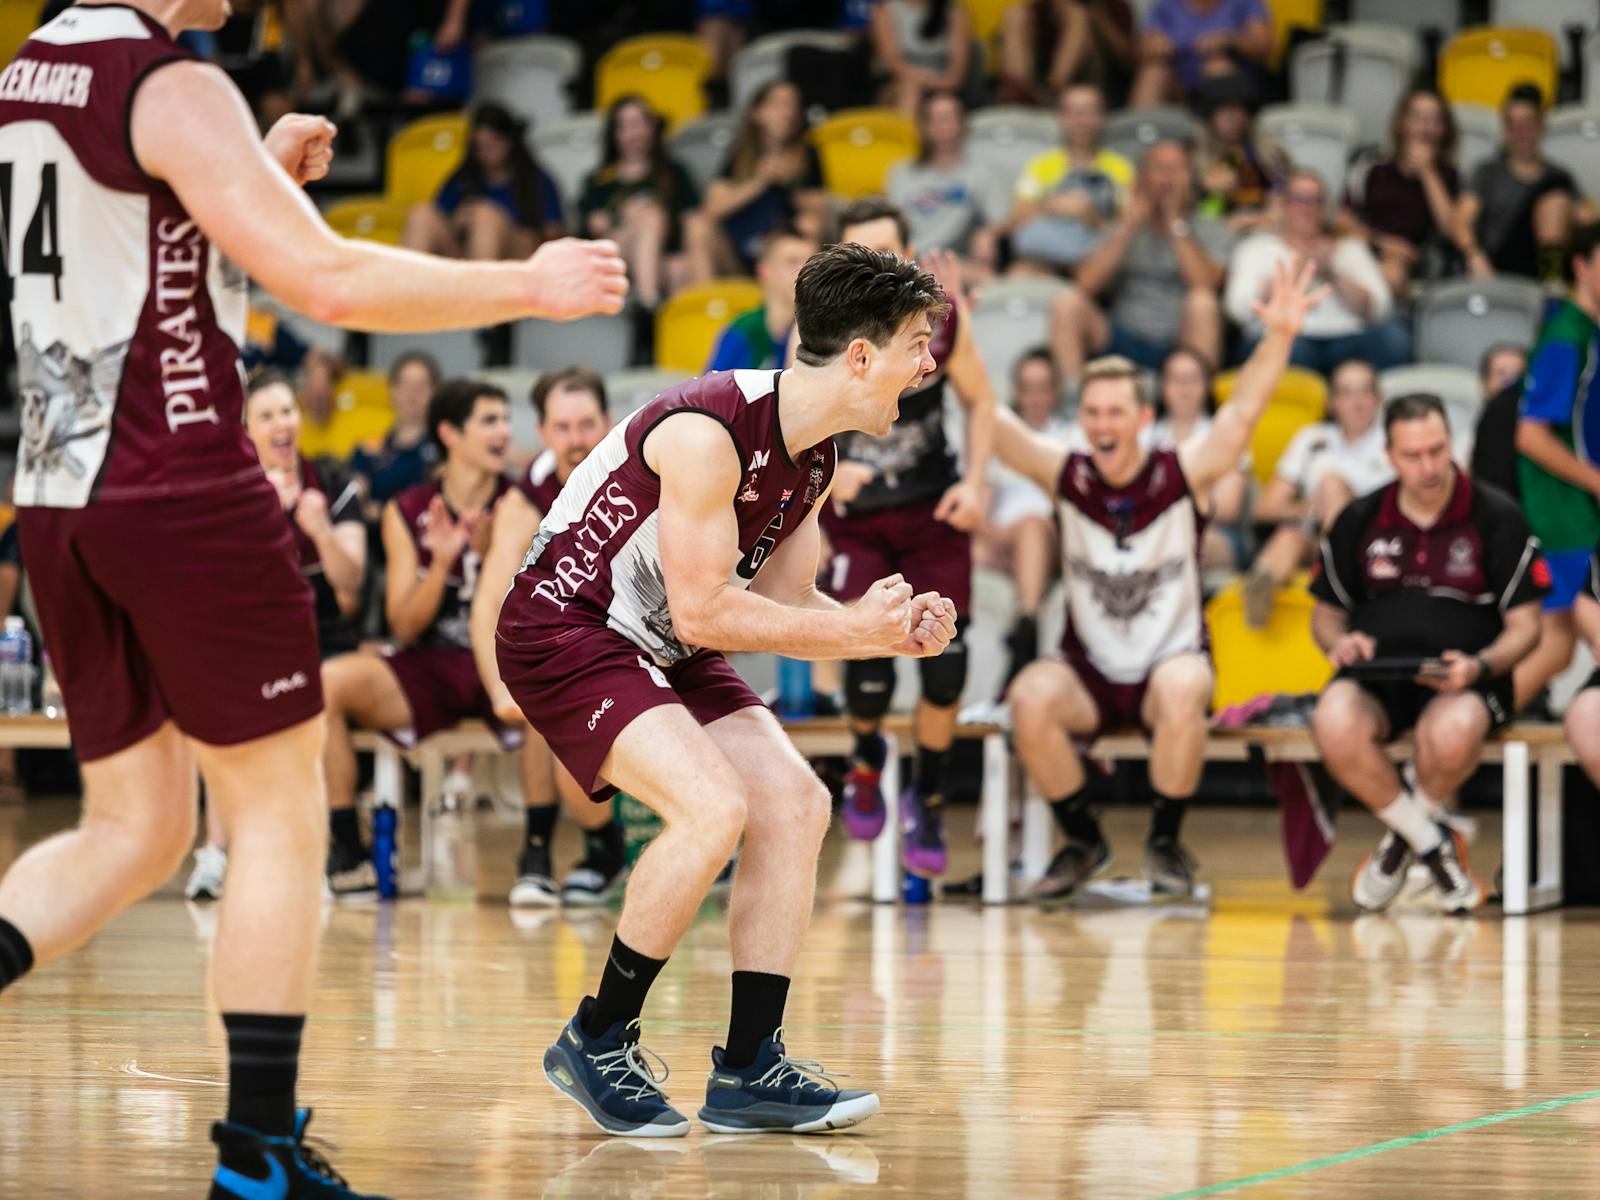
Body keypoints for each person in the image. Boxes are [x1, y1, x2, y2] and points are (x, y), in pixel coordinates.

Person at [0, 2, 626, 1196]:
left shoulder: (35, 66)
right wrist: (531, 284)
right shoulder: (167, 84)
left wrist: (241, 183)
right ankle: (258, 1157)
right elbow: (329, 282)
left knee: (136, 830)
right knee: (281, 814)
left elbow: (127, 250)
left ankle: (259, 1149)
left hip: (57, 494)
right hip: (182, 485)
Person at [494, 242, 958, 1137]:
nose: (929, 361)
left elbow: (785, 606)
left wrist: (884, 634)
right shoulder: (708, 431)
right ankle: (597, 1036)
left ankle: (749, 1069)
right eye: (915, 342)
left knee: (794, 802)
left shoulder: (813, 457)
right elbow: (712, 612)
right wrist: (854, 629)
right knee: (712, 807)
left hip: (664, 634)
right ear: (860, 358)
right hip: (566, 629)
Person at [997, 258, 1322, 902]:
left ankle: (1166, 842)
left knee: (1184, 687)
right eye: (1091, 411)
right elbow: (989, 411)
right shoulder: (1066, 471)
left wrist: (1280, 337)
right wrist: (946, 340)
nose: (1102, 423)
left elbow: (1243, 416)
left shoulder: (1185, 471)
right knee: (1027, 698)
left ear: (1143, 418)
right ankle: (1083, 839)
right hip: (1089, 669)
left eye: (1116, 411)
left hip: (1165, 661)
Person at [1310, 394, 1545, 914]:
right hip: (1377, 678)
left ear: (1452, 445)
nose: (1429, 467)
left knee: (1453, 729)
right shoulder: (1358, 518)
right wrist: (1339, 643)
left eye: (1437, 451)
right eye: (1413, 456)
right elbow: (1325, 616)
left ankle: (1401, 841)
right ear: (1389, 455)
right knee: (1332, 720)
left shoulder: (1498, 516)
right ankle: (1431, 842)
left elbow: (1528, 628)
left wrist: (1481, 665)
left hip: (1468, 678)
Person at [826, 199, 997, 878]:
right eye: (857, 256)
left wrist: (978, 483)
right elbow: (787, 406)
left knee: (945, 661)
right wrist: (827, 472)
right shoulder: (821, 324)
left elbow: (983, 400)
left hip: (930, 510)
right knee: (866, 660)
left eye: (883, 254)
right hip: (860, 517)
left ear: (904, 255)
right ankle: (866, 760)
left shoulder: (941, 319)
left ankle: (927, 795)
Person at [319, 380, 528, 894]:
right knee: (325, 684)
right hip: (432, 665)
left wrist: (494, 558)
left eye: (505, 419)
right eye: (489, 420)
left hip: (507, 665)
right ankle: (346, 847)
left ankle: (551, 852)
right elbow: (404, 624)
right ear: (449, 434)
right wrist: (442, 561)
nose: (504, 431)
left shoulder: (523, 504)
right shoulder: (406, 509)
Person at [185, 372, 367, 904]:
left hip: (324, 639)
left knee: (306, 703)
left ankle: (312, 856)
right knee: (223, 701)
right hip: (254, 639)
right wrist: (265, 519)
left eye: (287, 411)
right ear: (247, 431)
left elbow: (352, 580)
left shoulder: (332, 484)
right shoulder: (229, 493)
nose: (281, 423)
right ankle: (217, 852)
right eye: (266, 416)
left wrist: (319, 530)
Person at [469, 368, 629, 908]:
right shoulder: (525, 501)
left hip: (638, 645)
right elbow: (489, 601)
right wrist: (499, 691)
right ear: (540, 432)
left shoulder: (641, 471)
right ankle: (549, 850)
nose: (577, 438)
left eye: (587, 423)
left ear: (608, 423)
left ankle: (611, 842)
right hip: (571, 658)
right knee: (537, 688)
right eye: (562, 427)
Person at [1047, 140, 1230, 381]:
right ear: (1142, 177)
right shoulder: (1122, 226)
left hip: (1181, 341)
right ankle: (1072, 403)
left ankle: (1197, 409)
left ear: (1190, 178)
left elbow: (1206, 284)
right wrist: (1129, 225)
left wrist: (1175, 221)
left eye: (1178, 169)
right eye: (1161, 168)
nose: (1169, 178)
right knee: (1066, 303)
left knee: (1203, 302)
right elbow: (1086, 282)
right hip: (1123, 335)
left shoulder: (1211, 227)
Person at [1512, 224, 1600, 715]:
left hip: (1575, 511)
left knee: (1554, 649)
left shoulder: (1588, 332)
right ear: (1581, 268)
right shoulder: (1567, 338)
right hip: (1567, 517)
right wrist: (1595, 481)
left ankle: (1457, 739)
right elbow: (1530, 435)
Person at [1242, 359, 1391, 627]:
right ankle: (1258, 595)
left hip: (1373, 541)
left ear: (1378, 398)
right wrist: (1310, 507)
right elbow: (1265, 507)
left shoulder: (1391, 442)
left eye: (1364, 392)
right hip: (1315, 536)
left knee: (1331, 484)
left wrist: (1341, 498)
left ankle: (1340, 580)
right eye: (1346, 393)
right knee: (1290, 536)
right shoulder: (1312, 439)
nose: (1356, 402)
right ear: (1332, 402)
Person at [1224, 170, 1409, 374]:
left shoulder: (1349, 248)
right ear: (1284, 205)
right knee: (1288, 350)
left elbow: (1380, 307)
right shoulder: (1257, 248)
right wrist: (1303, 268)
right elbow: (1237, 309)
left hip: (1348, 335)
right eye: (1299, 200)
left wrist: (1331, 272)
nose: (1307, 209)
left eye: (1315, 200)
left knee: (1394, 339)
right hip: (1287, 335)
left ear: (1324, 208)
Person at [981, 350, 1071, 690]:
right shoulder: (996, 440)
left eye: (1042, 388)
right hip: (1002, 540)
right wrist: (997, 536)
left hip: (1050, 537)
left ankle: (1026, 627)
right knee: (959, 544)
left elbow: (1068, 508)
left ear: (1055, 391)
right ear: (1017, 392)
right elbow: (982, 507)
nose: (1034, 397)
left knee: (1032, 526)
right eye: (1027, 388)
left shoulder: (1070, 437)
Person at [579, 95, 702, 309]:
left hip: (663, 254)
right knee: (648, 217)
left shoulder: (674, 174)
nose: (633, 133)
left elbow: (691, 221)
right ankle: (649, 304)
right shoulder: (599, 180)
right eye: (624, 126)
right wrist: (625, 217)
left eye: (639, 123)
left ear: (652, 128)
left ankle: (660, 316)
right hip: (618, 252)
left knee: (677, 266)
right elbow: (593, 228)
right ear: (614, 134)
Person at [401, 103, 565, 262]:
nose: (487, 153)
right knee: (421, 213)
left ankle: (480, 287)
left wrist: (502, 224)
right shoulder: (464, 178)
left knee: (485, 216)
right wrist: (457, 221)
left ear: (510, 141)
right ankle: (408, 286)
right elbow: (439, 215)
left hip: (517, 257)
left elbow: (552, 233)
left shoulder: (535, 179)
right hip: (465, 254)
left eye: (493, 143)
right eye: (480, 146)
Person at [695, 80, 826, 277]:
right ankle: (708, 303)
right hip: (740, 249)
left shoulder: (807, 153)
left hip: (784, 244)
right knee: (697, 226)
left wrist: (791, 184)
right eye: (778, 105)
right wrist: (760, 180)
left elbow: (823, 205)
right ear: (757, 113)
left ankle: (805, 291)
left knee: (810, 223)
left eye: (792, 105)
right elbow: (712, 207)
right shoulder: (741, 154)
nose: (787, 112)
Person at [1348, 90, 1463, 298]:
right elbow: (1341, 220)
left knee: (1393, 269)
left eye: (1434, 119)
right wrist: (1382, 242)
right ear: (1401, 124)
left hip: (1417, 261)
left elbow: (1451, 231)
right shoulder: (1373, 166)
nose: (1425, 127)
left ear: (1444, 129)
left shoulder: (1448, 175)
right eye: (1417, 117)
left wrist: (1428, 173)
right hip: (1369, 246)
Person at [1009, 83, 1133, 276]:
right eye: (1074, 112)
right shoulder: (1041, 165)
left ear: (1102, 117)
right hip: (1047, 257)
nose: (1081, 120)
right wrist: (1055, 206)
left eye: (1089, 111)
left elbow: (1130, 228)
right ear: (1062, 118)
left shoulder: (1121, 169)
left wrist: (1092, 217)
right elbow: (1018, 217)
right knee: (1019, 273)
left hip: (1098, 264)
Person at [1457, 84, 1577, 283]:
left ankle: (1550, 280)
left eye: (1527, 123)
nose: (1521, 132)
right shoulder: (1487, 172)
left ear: (1541, 125)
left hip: (1543, 266)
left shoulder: (1559, 176)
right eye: (1513, 124)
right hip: (1496, 262)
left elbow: (1584, 219)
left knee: (1555, 194)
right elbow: (1461, 222)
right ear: (1504, 129)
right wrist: (1474, 255)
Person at [1149, 346, 1246, 571]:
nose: (1184, 388)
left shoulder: (1227, 436)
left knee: (1181, 537)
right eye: (1175, 379)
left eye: (1192, 379)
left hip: (1216, 533)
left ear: (1207, 385)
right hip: (1151, 530)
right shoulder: (1141, 437)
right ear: (1162, 387)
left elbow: (1228, 508)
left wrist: (1162, 500)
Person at [888, 90, 997, 271]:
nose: (945, 125)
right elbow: (892, 227)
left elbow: (1000, 217)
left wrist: (989, 232)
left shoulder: (980, 171)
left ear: (963, 123)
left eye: (950, 117)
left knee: (987, 277)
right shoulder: (901, 173)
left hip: (954, 260)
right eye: (936, 118)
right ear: (922, 126)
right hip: (906, 261)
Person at [705, 226, 817, 372]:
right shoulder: (744, 330)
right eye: (792, 261)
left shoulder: (820, 332)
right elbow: (709, 391)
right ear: (764, 271)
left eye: (811, 263)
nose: (804, 271)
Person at [1131, 0, 1273, 108]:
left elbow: (1264, 48)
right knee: (1154, 71)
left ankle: (1223, 140)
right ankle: (1140, 133)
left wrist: (1231, 40)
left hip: (1233, 81)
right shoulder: (1166, 5)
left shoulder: (1245, 2)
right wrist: (1156, 44)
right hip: (1177, 86)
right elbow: (1140, 53)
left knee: (1217, 66)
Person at [999, 0, 1137, 107]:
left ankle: (1053, 91)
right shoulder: (1042, 9)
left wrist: (1097, 19)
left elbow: (1128, 60)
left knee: (1077, 16)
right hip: (1037, 84)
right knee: (1016, 14)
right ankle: (1018, 91)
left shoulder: (1113, 7)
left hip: (1097, 83)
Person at [347, 351, 440, 506]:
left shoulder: (446, 450)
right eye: (405, 385)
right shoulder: (366, 449)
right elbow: (351, 500)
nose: (412, 394)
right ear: (392, 390)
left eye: (420, 386)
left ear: (434, 391)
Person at [1195, 81, 1284, 233]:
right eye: (1223, 110)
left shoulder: (1267, 154)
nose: (1232, 118)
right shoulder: (1194, 159)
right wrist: (1203, 187)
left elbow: (1284, 202)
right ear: (1210, 116)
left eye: (1237, 110)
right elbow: (1186, 215)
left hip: (1261, 230)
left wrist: (1256, 219)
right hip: (1212, 234)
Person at [870, 0, 975, 115]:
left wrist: (934, 82)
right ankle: (906, 131)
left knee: (937, 103)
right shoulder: (885, 11)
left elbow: (955, 75)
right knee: (910, 89)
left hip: (944, 85)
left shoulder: (955, 12)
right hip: (897, 84)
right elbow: (891, 61)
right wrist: (919, 79)